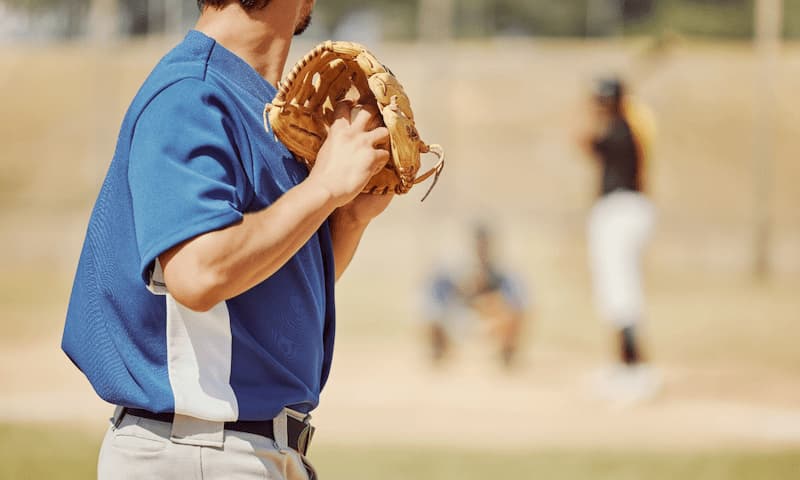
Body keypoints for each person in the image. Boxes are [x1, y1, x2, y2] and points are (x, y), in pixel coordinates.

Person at [62, 1, 393, 478]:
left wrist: (349, 218)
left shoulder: (262, 108)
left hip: (236, 447)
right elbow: (200, 274)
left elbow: (263, 296)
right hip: (199, 449)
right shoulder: (192, 95)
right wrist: (323, 188)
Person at [578, 77, 658, 403]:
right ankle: (624, 364)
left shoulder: (622, 130)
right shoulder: (624, 125)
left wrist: (589, 113)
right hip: (623, 211)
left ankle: (636, 371)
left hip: (620, 212)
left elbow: (583, 141)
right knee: (615, 291)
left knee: (621, 290)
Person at [421, 223, 528, 368]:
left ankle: (507, 354)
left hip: (490, 320)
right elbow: (433, 301)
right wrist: (463, 289)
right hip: (458, 318)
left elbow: (519, 304)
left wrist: (488, 302)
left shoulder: (501, 272)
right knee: (433, 312)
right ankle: (439, 351)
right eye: (479, 242)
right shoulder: (453, 269)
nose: (481, 247)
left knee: (513, 313)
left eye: (484, 242)